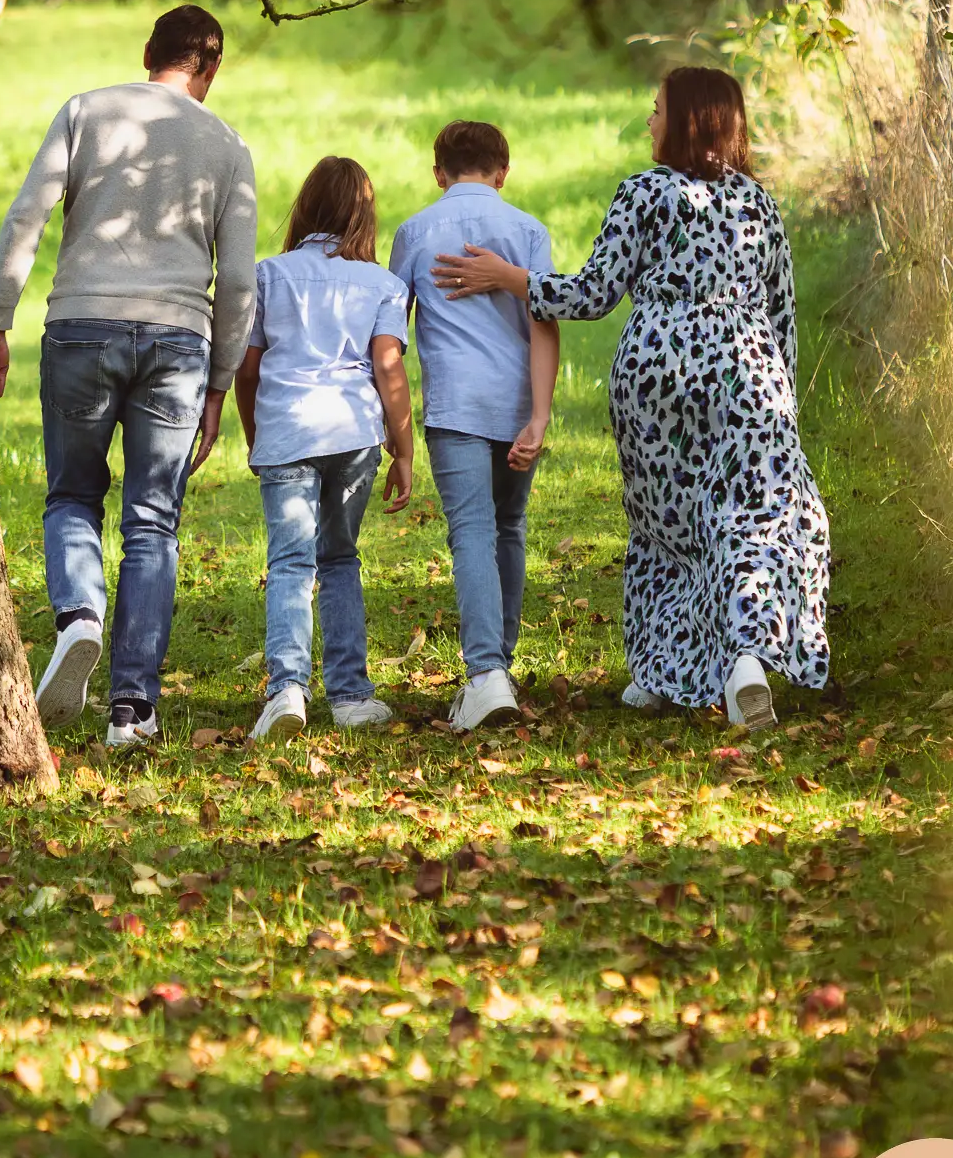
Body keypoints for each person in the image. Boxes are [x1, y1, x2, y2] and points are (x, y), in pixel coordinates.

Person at [434, 68, 829, 731]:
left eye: (657, 110)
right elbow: (780, 307)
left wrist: (510, 278)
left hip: (657, 376)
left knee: (666, 523)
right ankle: (741, 661)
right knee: (749, 519)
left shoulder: (643, 192)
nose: (649, 121)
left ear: (686, 122)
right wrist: (781, 400)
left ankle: (661, 671)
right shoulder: (757, 202)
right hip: (746, 374)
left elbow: (592, 294)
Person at [0, 4, 257, 748]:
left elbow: (27, 216)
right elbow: (237, 279)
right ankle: (132, 710)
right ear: (211, 67)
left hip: (81, 326)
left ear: (147, 53)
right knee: (153, 520)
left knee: (74, 492)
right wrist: (221, 381)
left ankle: (79, 615)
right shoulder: (228, 146)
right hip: (178, 341)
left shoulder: (84, 112)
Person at [388, 120, 560, 732]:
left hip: (456, 404)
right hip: (516, 404)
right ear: (503, 172)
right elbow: (545, 321)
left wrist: (390, 428)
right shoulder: (528, 231)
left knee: (471, 533)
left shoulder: (415, 233)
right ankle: (498, 669)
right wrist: (539, 415)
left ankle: (487, 674)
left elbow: (390, 334)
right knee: (508, 526)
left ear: (439, 174)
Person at [235, 157, 413, 742]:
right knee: (339, 558)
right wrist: (404, 449)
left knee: (290, 562)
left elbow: (247, 368)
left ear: (305, 207)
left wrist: (256, 434)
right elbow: (389, 369)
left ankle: (287, 690)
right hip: (354, 433)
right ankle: (351, 694)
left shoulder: (268, 277)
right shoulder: (383, 285)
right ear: (364, 216)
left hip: (287, 429)